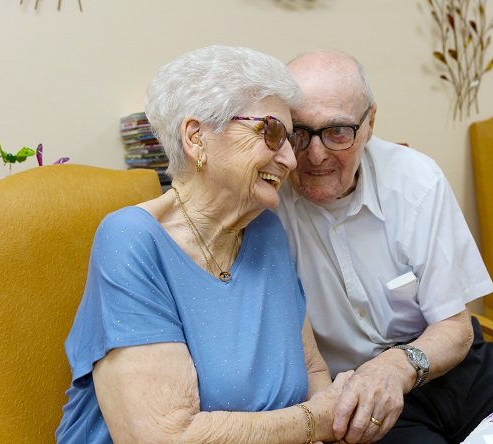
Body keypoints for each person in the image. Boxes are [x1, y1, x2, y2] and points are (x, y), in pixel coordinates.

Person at [56, 45, 353, 444]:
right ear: (197, 138)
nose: (291, 160)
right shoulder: (131, 240)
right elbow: (165, 437)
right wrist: (313, 422)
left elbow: (314, 372)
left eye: (291, 138)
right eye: (272, 133)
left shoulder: (266, 231)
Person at [273, 49, 493, 444]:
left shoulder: (416, 180)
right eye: (299, 132)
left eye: (337, 132)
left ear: (369, 124)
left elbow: (454, 326)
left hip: (443, 362)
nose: (315, 155)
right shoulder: (267, 206)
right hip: (357, 393)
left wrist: (396, 368)